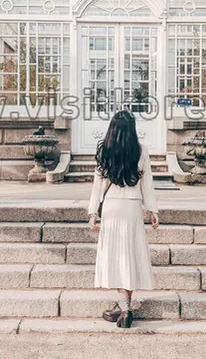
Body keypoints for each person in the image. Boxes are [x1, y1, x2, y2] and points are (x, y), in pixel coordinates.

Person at [88, 110, 159, 329]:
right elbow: (147, 184)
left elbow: (97, 185)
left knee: (117, 257)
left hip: (111, 207)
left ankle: (124, 308)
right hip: (132, 207)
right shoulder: (141, 150)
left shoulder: (105, 150)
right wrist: (153, 211)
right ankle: (125, 308)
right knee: (130, 255)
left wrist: (93, 212)